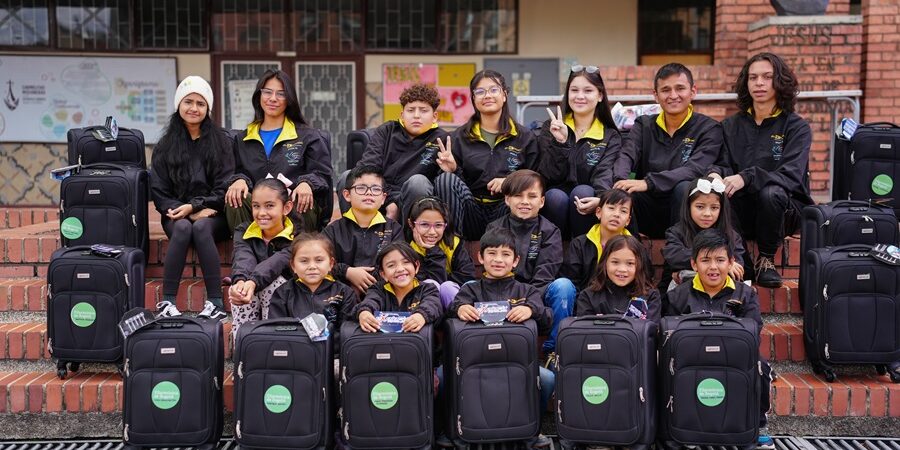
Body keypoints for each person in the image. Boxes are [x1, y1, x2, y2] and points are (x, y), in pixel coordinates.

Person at [711, 52, 812, 288]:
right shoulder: (730, 125)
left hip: (782, 209)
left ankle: (766, 259)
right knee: (719, 194)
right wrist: (715, 173)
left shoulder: (796, 127)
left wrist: (747, 177)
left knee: (771, 193)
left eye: (767, 77)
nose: (759, 83)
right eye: (753, 77)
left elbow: (791, 175)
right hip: (741, 209)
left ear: (780, 82)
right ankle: (743, 260)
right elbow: (722, 162)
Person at [665, 229, 773, 450]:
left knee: (760, 365)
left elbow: (753, 332)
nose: (713, 267)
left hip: (732, 358)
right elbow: (669, 335)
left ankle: (756, 425)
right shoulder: (678, 296)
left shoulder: (745, 294)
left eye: (720, 260)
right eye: (705, 260)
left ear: (731, 262)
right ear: (694, 264)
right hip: (691, 360)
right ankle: (677, 425)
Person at [448, 228, 554, 449]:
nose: (498, 260)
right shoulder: (471, 290)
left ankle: (531, 428)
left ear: (515, 261)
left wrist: (531, 309)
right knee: (443, 376)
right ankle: (456, 428)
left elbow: (547, 319)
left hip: (517, 364)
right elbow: (450, 311)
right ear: (480, 257)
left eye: (506, 254)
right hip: (475, 363)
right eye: (492, 253)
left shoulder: (526, 290)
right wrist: (460, 308)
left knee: (546, 379)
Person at [151, 75, 234, 320]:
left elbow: (224, 187)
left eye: (200, 103)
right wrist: (182, 209)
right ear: (179, 105)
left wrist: (197, 206)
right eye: (189, 102)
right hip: (176, 214)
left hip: (213, 214)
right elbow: (159, 191)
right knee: (184, 227)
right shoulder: (165, 146)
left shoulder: (221, 143)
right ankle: (167, 302)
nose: (194, 108)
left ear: (207, 108)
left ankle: (216, 303)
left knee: (200, 228)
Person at [610, 63, 724, 238]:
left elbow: (695, 169)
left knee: (684, 187)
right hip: (648, 207)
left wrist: (648, 182)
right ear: (655, 95)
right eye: (665, 90)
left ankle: (679, 257)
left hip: (685, 211)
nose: (673, 96)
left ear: (693, 91)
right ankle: (636, 254)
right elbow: (627, 154)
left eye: (680, 88)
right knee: (626, 194)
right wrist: (620, 183)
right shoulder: (644, 124)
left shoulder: (709, 128)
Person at [434, 69, 540, 241]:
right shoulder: (459, 137)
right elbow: (450, 189)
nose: (487, 96)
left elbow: (536, 178)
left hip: (505, 210)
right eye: (480, 92)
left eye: (493, 90)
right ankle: (452, 248)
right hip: (471, 212)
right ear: (473, 99)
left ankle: (516, 255)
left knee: (520, 197)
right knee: (445, 179)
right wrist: (453, 170)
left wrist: (509, 182)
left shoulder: (525, 137)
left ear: (505, 94)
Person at [225, 69, 333, 233]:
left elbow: (323, 174)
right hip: (257, 210)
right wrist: (238, 179)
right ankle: (244, 250)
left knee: (303, 198)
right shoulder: (241, 139)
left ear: (289, 99)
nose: (273, 99)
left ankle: (298, 253)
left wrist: (307, 183)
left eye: (281, 94)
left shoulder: (308, 136)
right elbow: (229, 173)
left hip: (293, 208)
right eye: (267, 92)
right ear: (259, 96)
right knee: (236, 196)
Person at [338, 83, 451, 222]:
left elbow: (443, 185)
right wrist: (390, 201)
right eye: (410, 110)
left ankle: (410, 238)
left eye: (423, 110)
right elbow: (367, 167)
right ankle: (353, 232)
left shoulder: (443, 139)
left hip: (415, 203)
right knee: (347, 177)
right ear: (402, 115)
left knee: (418, 182)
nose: (416, 116)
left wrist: (452, 169)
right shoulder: (387, 131)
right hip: (380, 195)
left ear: (434, 116)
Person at [539, 64, 622, 239]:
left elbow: (605, 173)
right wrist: (560, 143)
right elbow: (547, 175)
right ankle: (555, 252)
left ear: (600, 96)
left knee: (583, 192)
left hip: (589, 201)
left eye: (588, 91)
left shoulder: (610, 135)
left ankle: (583, 255)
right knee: (555, 197)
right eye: (574, 90)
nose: (580, 96)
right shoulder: (551, 127)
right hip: (555, 204)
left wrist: (601, 198)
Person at [547, 189, 633, 357]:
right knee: (564, 285)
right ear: (599, 212)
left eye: (623, 211)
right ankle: (556, 347)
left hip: (619, 306)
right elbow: (573, 281)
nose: (616, 214)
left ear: (628, 220)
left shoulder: (634, 247)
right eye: (611, 208)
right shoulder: (580, 243)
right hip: (585, 305)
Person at [228, 179, 297, 336]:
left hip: (285, 297)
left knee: (275, 284)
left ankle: (271, 341)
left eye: (270, 206)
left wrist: (253, 282)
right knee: (239, 288)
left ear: (286, 208)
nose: (261, 213)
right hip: (252, 290)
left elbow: (277, 262)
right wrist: (241, 282)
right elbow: (243, 257)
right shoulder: (244, 230)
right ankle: (243, 347)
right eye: (256, 206)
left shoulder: (297, 236)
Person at [324, 165, 404, 294]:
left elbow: (399, 264)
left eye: (375, 189)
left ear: (383, 198)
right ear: (347, 195)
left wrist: (369, 280)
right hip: (341, 295)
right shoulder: (333, 230)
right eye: (361, 188)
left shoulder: (393, 229)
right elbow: (321, 262)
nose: (369, 192)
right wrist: (347, 272)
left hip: (383, 295)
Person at [662, 176, 746, 293]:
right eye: (700, 207)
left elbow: (737, 263)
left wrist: (728, 264)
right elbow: (673, 255)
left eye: (714, 208)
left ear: (721, 209)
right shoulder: (676, 232)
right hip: (684, 293)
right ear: (688, 206)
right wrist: (715, 258)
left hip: (721, 292)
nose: (707, 213)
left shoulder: (731, 235)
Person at [268, 233, 357, 333]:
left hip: (332, 347)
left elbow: (348, 332)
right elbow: (276, 330)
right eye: (304, 261)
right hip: (294, 346)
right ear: (293, 265)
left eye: (319, 260)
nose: (312, 266)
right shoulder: (282, 294)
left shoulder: (344, 293)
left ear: (331, 264)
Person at [352, 242, 444, 333]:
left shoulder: (427, 289)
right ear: (383, 274)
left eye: (406, 262)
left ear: (416, 266)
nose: (400, 269)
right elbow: (370, 301)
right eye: (391, 265)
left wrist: (421, 315)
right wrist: (364, 312)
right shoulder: (378, 290)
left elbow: (433, 304)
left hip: (415, 344)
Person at [406, 197, 475, 309]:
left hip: (455, 304)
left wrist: (434, 250)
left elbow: (467, 276)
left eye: (438, 225)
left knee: (447, 287)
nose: (432, 232)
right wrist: (432, 251)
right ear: (411, 224)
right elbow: (424, 283)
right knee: (430, 284)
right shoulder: (407, 249)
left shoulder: (454, 244)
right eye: (424, 225)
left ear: (445, 225)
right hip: (422, 307)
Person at [574, 234, 660, 322]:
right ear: (604, 263)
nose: (622, 269)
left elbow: (651, 332)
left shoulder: (650, 296)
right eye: (615, 262)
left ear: (640, 265)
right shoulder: (588, 296)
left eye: (630, 263)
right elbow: (584, 331)